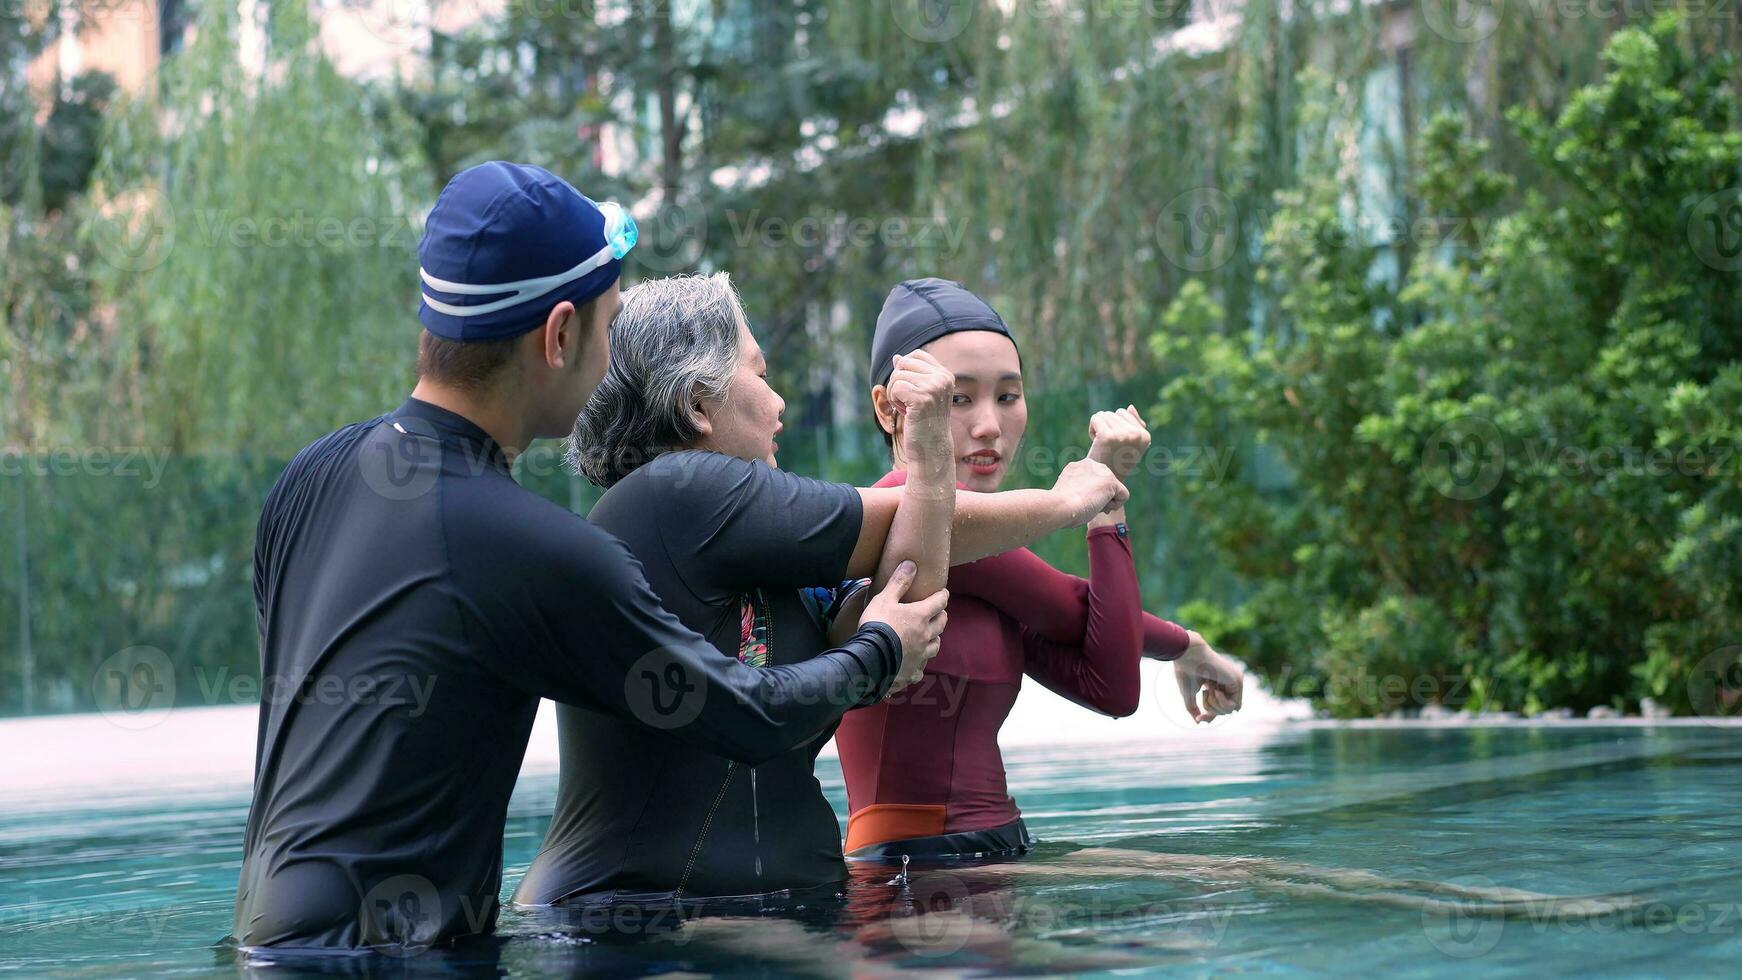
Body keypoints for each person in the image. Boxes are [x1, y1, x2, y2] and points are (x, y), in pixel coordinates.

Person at [231, 164, 948, 956]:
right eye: (610, 327)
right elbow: (746, 715)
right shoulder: (529, 547)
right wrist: (881, 649)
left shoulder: (309, 478)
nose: (614, 359)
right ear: (560, 334)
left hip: (264, 942)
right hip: (406, 958)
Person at [513, 273, 1132, 909]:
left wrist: (924, 457)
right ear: (698, 405)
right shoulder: (676, 490)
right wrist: (1070, 499)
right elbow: (906, 543)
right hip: (632, 921)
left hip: (753, 913)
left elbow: (907, 600)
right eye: (759, 375)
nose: (780, 403)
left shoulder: (754, 542)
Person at [833, 277, 1247, 862]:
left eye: (1007, 396)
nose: (988, 426)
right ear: (888, 409)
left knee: (1240, 876)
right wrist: (1186, 645)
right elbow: (1073, 605)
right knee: (1234, 882)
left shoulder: (986, 560)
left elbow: (1111, 686)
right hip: (915, 876)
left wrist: (1108, 509)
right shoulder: (910, 507)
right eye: (958, 398)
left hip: (988, 855)